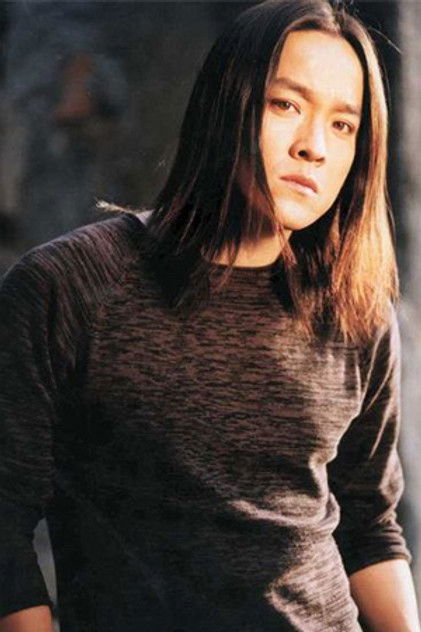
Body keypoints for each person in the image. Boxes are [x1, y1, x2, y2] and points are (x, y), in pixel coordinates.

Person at [0, 0, 419, 630]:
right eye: (286, 105)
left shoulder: (354, 306)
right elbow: (4, 525)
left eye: (342, 125)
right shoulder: (69, 286)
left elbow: (370, 524)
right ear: (228, 105)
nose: (313, 147)